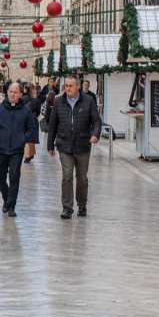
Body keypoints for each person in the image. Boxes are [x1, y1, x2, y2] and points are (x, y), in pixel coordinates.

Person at [47, 75, 102, 219]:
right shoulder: (58, 101)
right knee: (67, 175)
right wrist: (50, 145)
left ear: (78, 86)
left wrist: (95, 135)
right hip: (64, 144)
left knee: (82, 178)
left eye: (71, 86)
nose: (68, 88)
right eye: (66, 85)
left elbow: (96, 121)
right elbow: (53, 124)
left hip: (82, 144)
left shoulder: (88, 101)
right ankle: (67, 208)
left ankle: (82, 205)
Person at [0, 82, 37, 217]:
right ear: (7, 92)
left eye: (15, 92)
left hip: (16, 150)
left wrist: (23, 139)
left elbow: (31, 128)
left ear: (20, 94)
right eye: (10, 92)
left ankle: (11, 205)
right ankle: (6, 198)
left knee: (14, 176)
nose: (12, 94)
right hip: (1, 149)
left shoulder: (26, 110)